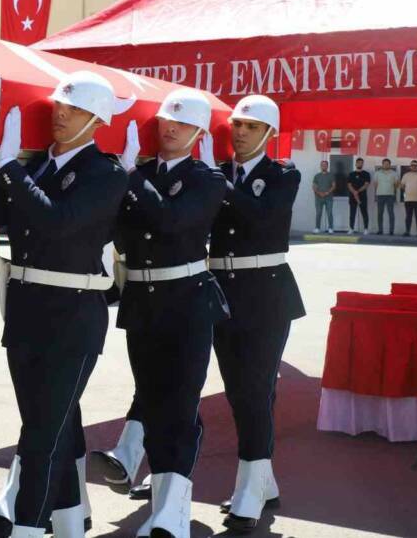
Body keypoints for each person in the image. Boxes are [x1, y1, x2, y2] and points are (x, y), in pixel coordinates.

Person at [0, 72, 127, 538]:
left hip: (73, 318)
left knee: (41, 436)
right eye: (59, 105)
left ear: (97, 120)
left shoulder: (106, 172)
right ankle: (71, 521)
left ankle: (28, 528)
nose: (60, 113)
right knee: (47, 426)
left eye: (73, 109)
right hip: (28, 311)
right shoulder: (35, 168)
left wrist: (11, 168)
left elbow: (58, 222)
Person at [115, 88, 229, 538]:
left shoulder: (208, 179)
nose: (170, 127)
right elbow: (126, 235)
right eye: (166, 120)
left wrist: (129, 177)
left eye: (181, 123)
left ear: (198, 131)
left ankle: (173, 514)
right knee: (154, 402)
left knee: (180, 407)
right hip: (143, 302)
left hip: (187, 301)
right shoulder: (139, 173)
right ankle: (161, 508)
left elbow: (169, 220)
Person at [207, 95, 306, 534]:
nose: (240, 131)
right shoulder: (215, 174)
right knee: (238, 392)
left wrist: (216, 180)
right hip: (222, 290)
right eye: (237, 124)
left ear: (270, 133)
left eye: (250, 125)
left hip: (265, 293)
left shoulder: (282, 174)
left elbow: (261, 213)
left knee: (256, 388)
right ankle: (263, 480)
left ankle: (250, 488)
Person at [400, 160, 417, 237]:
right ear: (410, 166)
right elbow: (402, 186)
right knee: (408, 216)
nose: (414, 167)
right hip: (408, 199)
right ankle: (407, 231)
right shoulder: (406, 175)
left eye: (415, 165)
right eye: (412, 165)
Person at [373, 159, 398, 235]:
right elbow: (375, 184)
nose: (386, 165)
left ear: (390, 165)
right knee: (380, 213)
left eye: (388, 164)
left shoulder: (394, 173)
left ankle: (391, 231)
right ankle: (380, 230)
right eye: (385, 164)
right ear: (382, 164)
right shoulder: (377, 173)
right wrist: (376, 194)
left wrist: (393, 191)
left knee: (391, 213)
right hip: (380, 195)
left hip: (390, 195)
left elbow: (396, 185)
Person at [346, 157, 370, 234]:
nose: (360, 164)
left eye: (361, 163)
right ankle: (351, 228)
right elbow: (349, 185)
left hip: (362, 196)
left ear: (363, 164)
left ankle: (366, 229)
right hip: (352, 196)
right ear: (356, 164)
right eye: (358, 162)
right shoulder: (351, 174)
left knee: (364, 212)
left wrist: (358, 191)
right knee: (352, 213)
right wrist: (354, 192)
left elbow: (366, 184)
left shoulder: (366, 174)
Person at [311, 160, 334, 234]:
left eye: (325, 165)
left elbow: (334, 186)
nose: (324, 166)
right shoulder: (317, 176)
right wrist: (319, 193)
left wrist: (327, 192)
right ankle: (317, 228)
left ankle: (330, 228)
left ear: (327, 166)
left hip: (329, 198)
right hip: (318, 198)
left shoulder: (331, 175)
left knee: (329, 213)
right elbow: (314, 186)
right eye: (322, 165)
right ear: (320, 166)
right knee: (318, 213)